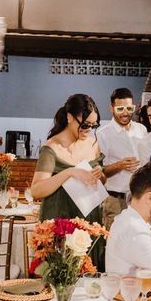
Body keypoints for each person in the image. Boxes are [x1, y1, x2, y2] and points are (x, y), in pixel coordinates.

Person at [31, 94, 107, 269]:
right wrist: (70, 172)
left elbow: (103, 180)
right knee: (60, 277)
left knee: (88, 278)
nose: (89, 130)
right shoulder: (52, 148)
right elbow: (36, 190)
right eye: (85, 125)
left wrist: (100, 173)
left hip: (89, 220)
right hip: (60, 222)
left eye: (93, 125)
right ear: (69, 117)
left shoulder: (93, 144)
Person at [96, 88, 148, 229]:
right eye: (120, 109)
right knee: (114, 245)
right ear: (111, 108)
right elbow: (99, 172)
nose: (125, 113)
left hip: (139, 200)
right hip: (115, 201)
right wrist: (120, 165)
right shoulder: (102, 134)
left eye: (129, 108)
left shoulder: (141, 130)